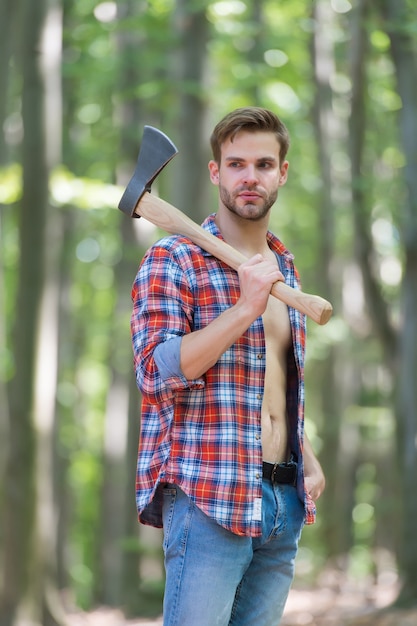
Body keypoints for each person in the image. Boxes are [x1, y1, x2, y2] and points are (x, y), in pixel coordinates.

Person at [130, 106, 325, 626]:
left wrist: (305, 457)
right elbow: (155, 370)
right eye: (236, 164)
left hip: (283, 502)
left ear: (282, 172)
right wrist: (243, 311)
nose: (250, 177)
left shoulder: (285, 270)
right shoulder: (173, 260)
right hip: (210, 498)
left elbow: (270, 381)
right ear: (216, 171)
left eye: (264, 164)